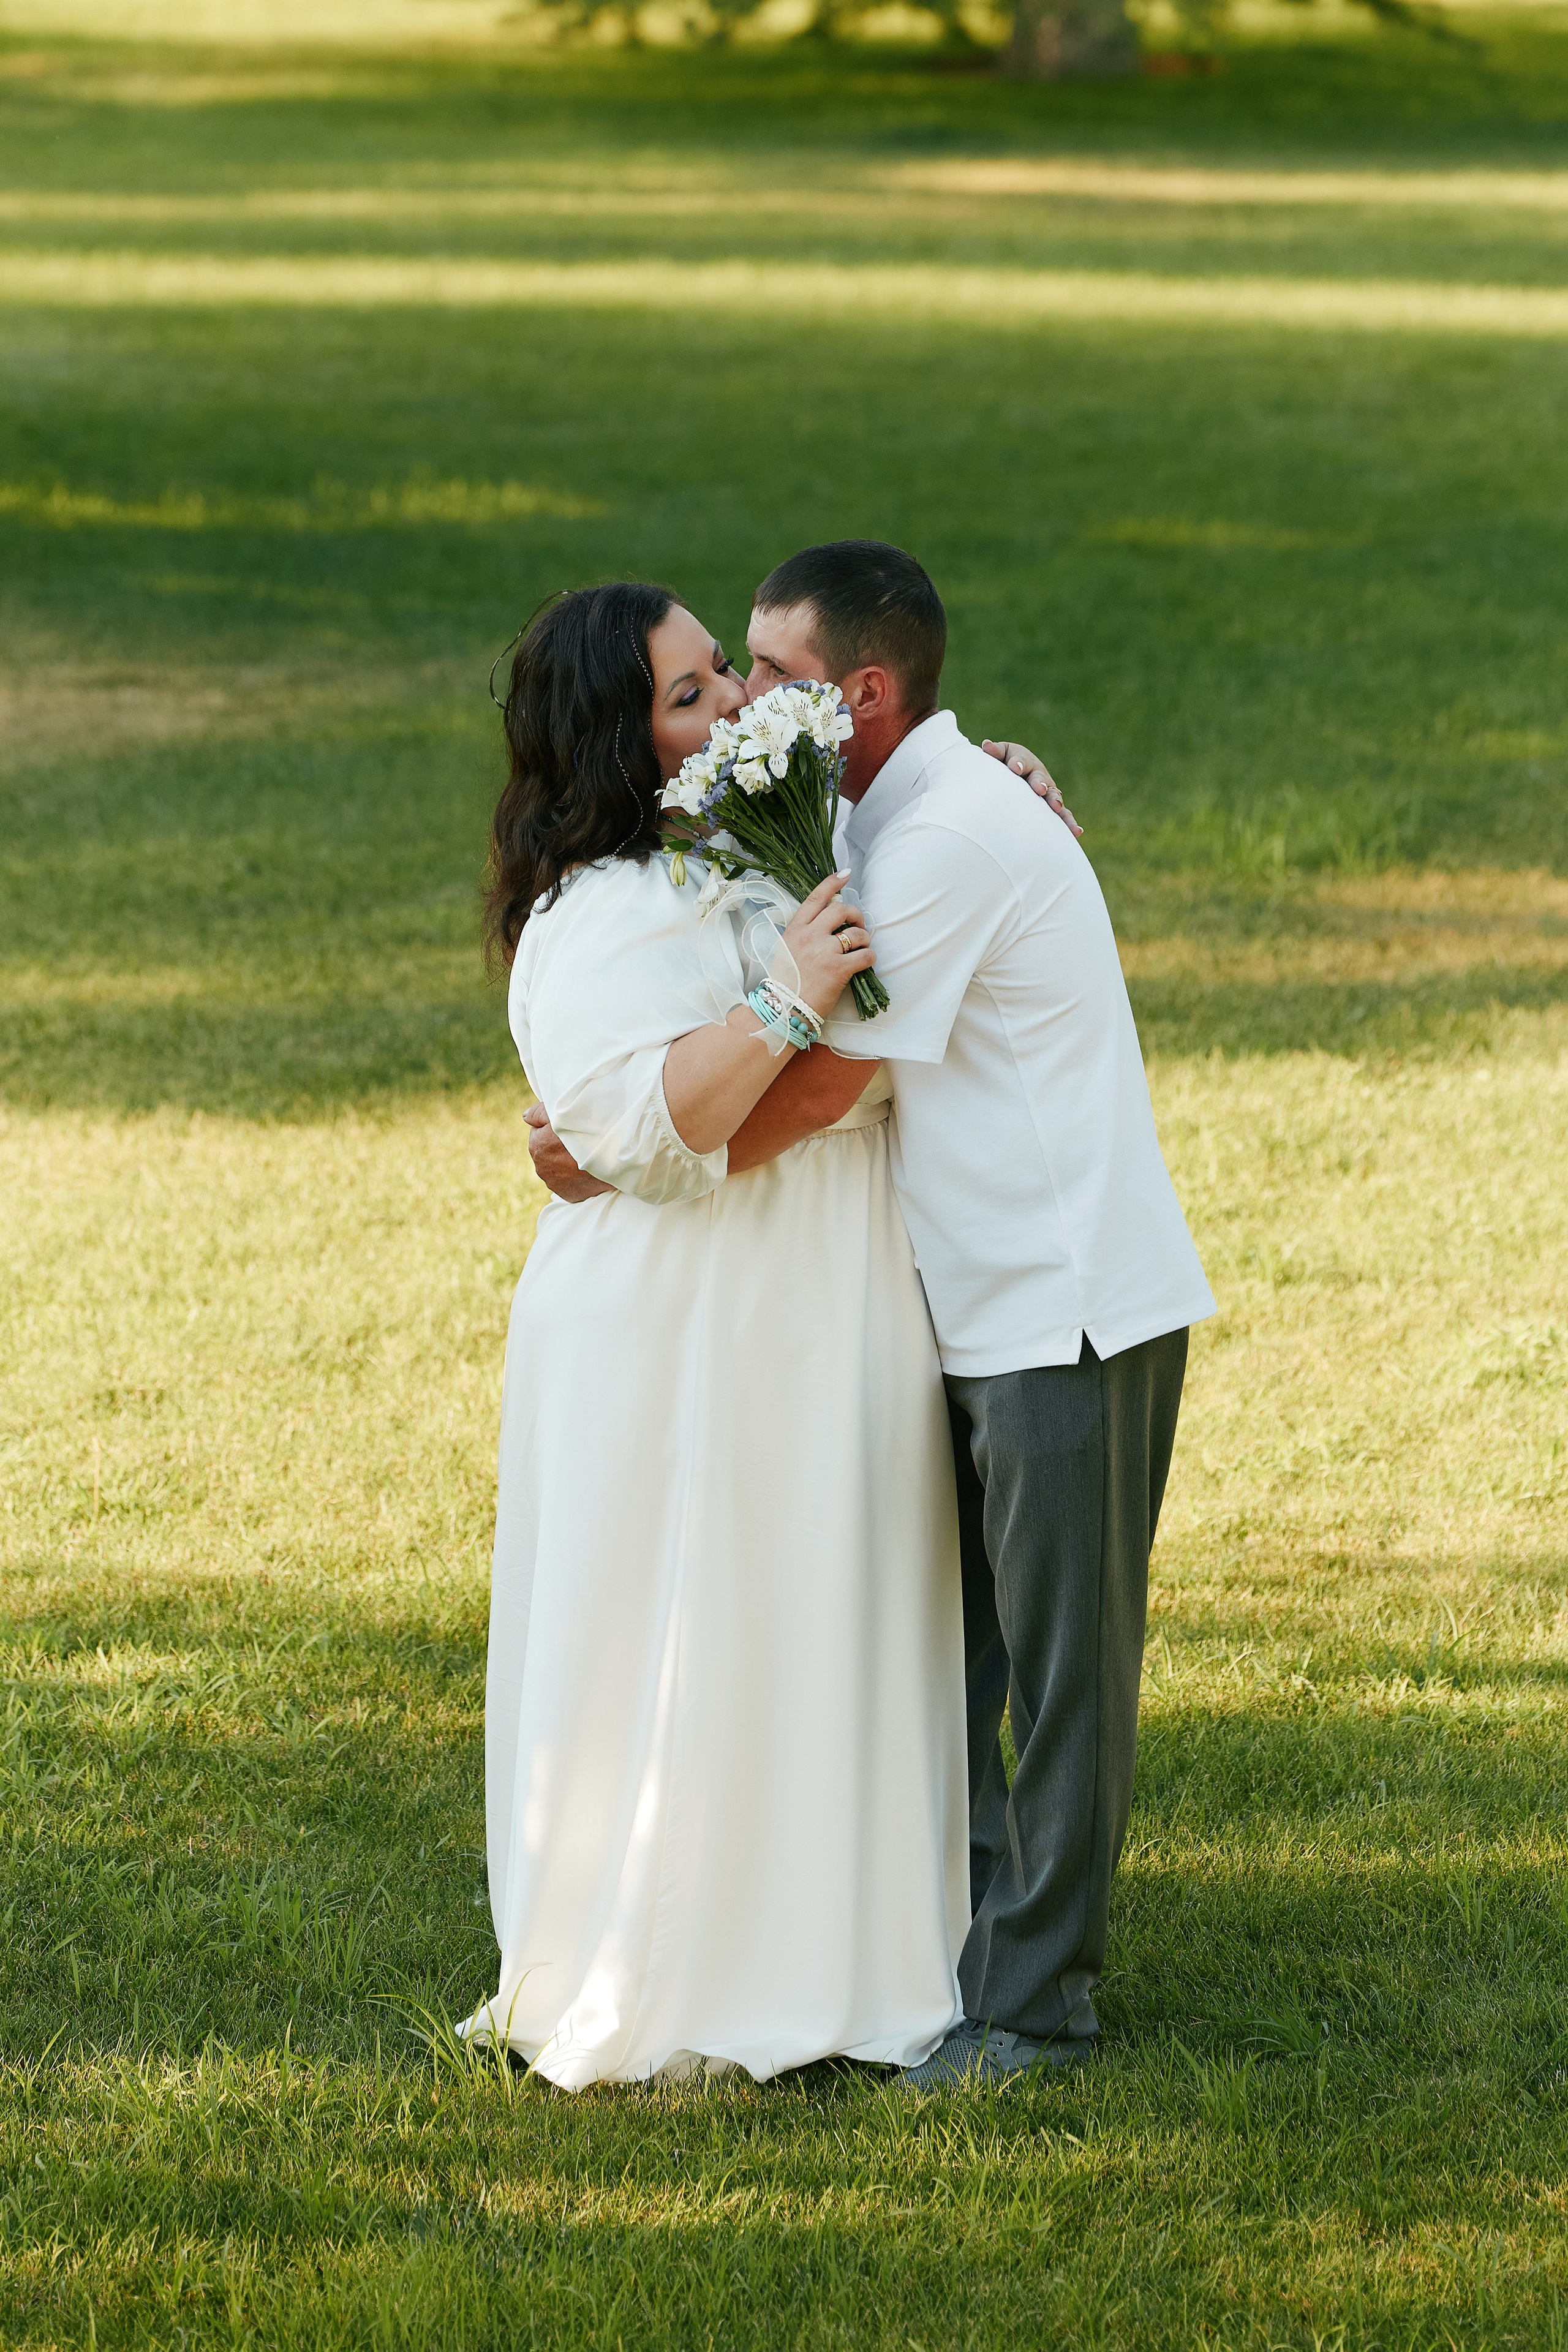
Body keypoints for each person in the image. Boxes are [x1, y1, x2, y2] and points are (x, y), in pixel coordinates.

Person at [530, 542, 1216, 2087]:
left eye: (769, 677)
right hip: (961, 1310)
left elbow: (826, 1084)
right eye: (729, 673)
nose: (743, 704)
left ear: (861, 695)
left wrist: (623, 1155)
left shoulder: (946, 840)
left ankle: (1032, 2011)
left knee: (1062, 1684)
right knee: (954, 1665)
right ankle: (949, 1953)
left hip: (1063, 1311)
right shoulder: (884, 812)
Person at [464, 579, 971, 2089]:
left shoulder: (743, 845)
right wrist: (791, 1001)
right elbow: (646, 1123)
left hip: (811, 1299)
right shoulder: (595, 915)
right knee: (693, 1622)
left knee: (813, 1608)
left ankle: (840, 1945)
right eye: (690, 695)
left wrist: (984, 779)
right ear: (614, 744)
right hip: (681, 1327)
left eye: (721, 677)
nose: (736, 705)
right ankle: (686, 1964)